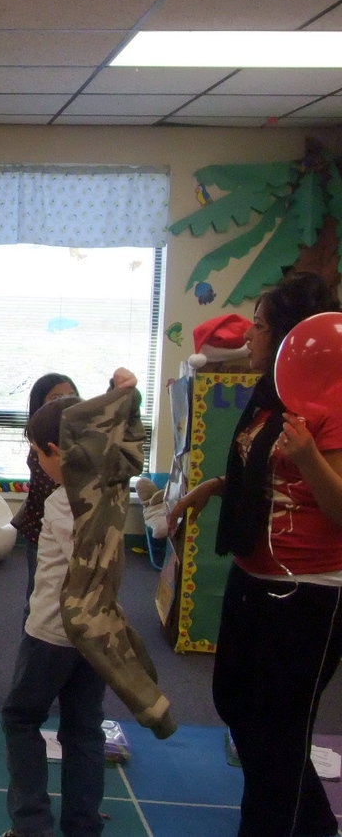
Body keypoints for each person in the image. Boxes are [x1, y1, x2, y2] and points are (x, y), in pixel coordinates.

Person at [167, 271, 342, 837]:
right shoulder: (273, 390)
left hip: (310, 589)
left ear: (291, 335)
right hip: (255, 572)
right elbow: (268, 467)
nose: (251, 338)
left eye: (261, 327)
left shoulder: (332, 398)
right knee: (236, 704)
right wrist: (213, 486)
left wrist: (311, 455)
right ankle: (313, 826)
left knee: (278, 735)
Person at [1, 368, 136, 837]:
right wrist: (120, 397)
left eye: (40, 455)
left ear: (56, 453)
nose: (38, 464)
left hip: (52, 634)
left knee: (21, 719)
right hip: (96, 633)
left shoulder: (62, 503)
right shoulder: (112, 490)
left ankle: (31, 825)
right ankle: (83, 827)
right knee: (83, 729)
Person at [11, 374, 79, 603]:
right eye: (55, 397)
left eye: (70, 396)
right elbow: (50, 486)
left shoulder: (78, 441)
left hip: (65, 529)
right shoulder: (40, 445)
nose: (63, 402)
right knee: (39, 593)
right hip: (39, 530)